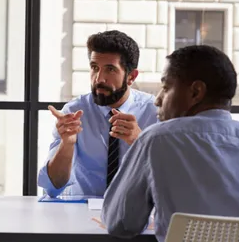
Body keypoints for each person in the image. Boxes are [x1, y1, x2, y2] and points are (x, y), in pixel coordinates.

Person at [101, 45, 239, 241]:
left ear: (196, 92)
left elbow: (120, 223)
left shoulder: (157, 139)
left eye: (166, 88)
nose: (158, 100)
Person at [37, 30, 158, 197]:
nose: (99, 79)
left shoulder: (154, 113)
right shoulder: (74, 113)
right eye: (94, 68)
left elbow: (169, 181)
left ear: (131, 76)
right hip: (81, 213)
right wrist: (67, 143)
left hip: (136, 216)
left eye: (110, 70)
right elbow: (52, 188)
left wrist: (140, 142)